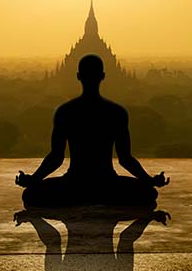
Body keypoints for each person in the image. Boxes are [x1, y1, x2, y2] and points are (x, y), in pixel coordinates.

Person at [15, 54, 170, 207]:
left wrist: (33, 180)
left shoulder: (65, 111)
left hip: (74, 185)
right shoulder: (116, 112)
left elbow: (56, 157)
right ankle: (102, 199)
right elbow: (125, 158)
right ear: (102, 76)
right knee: (148, 193)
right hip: (107, 185)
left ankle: (79, 199)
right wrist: (149, 180)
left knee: (31, 194)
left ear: (78, 76)